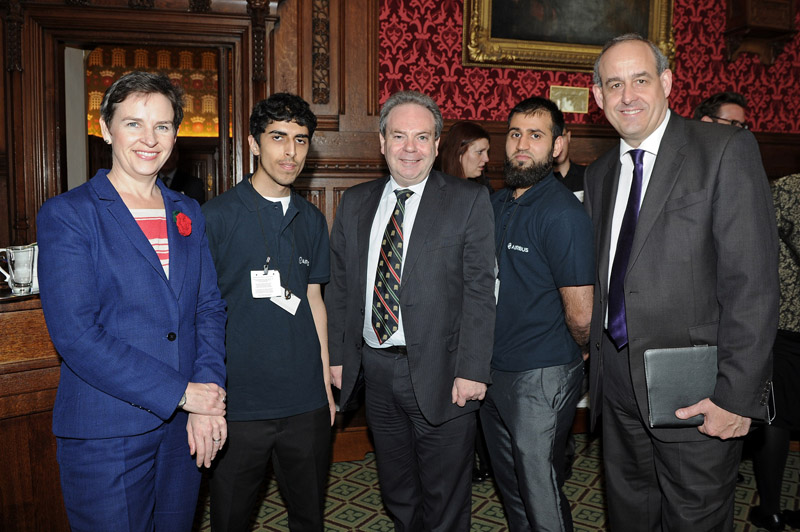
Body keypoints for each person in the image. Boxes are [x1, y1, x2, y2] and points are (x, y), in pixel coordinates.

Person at [585, 34, 778, 531]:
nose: (628, 95)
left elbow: (752, 286)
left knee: (695, 523)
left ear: (667, 82)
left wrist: (737, 399)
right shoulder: (601, 173)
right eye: (614, 84)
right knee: (630, 519)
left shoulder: (723, 150)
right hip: (620, 392)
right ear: (598, 97)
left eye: (641, 80)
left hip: (699, 393)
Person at [37, 71, 228, 531]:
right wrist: (184, 394)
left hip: (182, 430)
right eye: (133, 124)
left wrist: (206, 397)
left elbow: (208, 310)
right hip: (107, 432)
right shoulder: (69, 215)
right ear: (105, 128)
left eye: (162, 126)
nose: (149, 139)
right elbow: (77, 337)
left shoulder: (188, 212)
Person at [326, 90, 496, 531]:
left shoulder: (468, 201)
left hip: (445, 373)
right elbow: (341, 289)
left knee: (445, 499)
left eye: (422, 138)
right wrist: (340, 358)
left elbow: (480, 290)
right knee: (397, 491)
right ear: (381, 141)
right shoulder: (356, 203)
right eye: (399, 136)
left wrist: (473, 368)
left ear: (438, 146)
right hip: (376, 372)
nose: (410, 148)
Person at [202, 93, 334, 532]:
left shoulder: (312, 220)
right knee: (230, 520)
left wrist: (325, 388)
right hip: (239, 404)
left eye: (300, 140)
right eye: (278, 138)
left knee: (308, 519)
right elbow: (199, 312)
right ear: (254, 143)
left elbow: (314, 301)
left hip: (306, 404)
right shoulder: (215, 218)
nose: (290, 152)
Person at [482, 96, 593, 532]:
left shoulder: (563, 213)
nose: (522, 144)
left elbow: (582, 314)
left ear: (558, 146)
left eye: (535, 135)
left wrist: (575, 355)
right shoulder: (496, 204)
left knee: (539, 490)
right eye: (514, 134)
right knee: (510, 486)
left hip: (541, 376)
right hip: (493, 371)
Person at [748, 172, 800, 532]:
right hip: (787, 321)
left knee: (776, 415)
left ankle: (771, 509)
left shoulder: (788, 187)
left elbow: (753, 248)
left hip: (784, 317)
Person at [437, 120, 494, 193]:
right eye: (480, 152)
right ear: (459, 153)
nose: (487, 159)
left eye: (487, 152)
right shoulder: (436, 186)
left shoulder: (484, 187)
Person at [553, 126, 586, 200]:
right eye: (553, 138)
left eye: (561, 136)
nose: (558, 144)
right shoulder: (538, 181)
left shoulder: (587, 176)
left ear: (568, 137)